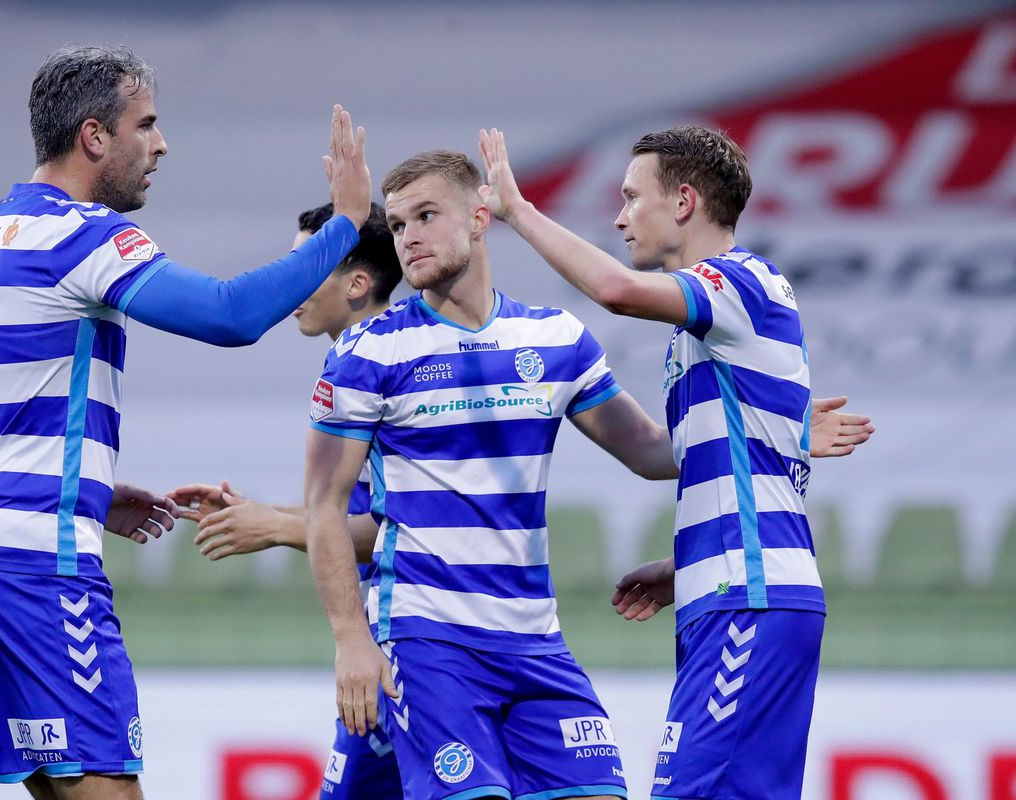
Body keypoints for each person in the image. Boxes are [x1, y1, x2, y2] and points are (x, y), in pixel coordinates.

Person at [303, 149, 870, 800]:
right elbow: (324, 507)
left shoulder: (556, 339)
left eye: (427, 216)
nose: (410, 238)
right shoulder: (369, 350)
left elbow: (651, 453)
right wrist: (351, 640)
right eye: (399, 225)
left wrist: (773, 426)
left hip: (534, 642)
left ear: (481, 216)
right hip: (431, 638)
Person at [0, 43, 371, 799]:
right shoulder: (82, 235)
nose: (161, 145)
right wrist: (345, 223)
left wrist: (84, 482)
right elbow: (231, 315)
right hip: (36, 566)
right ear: (95, 137)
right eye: (146, 125)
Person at [477, 125, 873, 800]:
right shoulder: (712, 332)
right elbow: (665, 456)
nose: (619, 215)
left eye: (633, 197)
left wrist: (518, 211)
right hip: (730, 593)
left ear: (684, 201)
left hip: (748, 599)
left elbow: (615, 290)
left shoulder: (737, 282)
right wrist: (686, 563)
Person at [168, 201, 405, 800]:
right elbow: (373, 516)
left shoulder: (384, 364)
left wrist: (274, 528)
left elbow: (408, 527)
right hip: (393, 629)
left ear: (358, 282)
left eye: (308, 265)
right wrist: (264, 515)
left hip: (415, 638)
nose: (290, 282)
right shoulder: (357, 358)